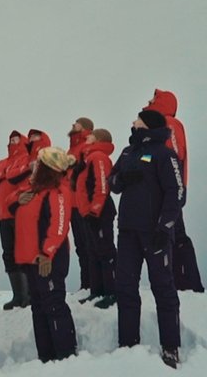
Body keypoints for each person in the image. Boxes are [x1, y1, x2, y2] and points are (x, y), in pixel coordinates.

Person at [110, 110, 185, 369]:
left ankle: (171, 347)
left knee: (163, 288)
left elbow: (177, 192)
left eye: (138, 118)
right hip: (127, 231)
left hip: (155, 233)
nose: (133, 121)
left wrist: (165, 227)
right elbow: (113, 182)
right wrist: (122, 178)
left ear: (148, 124)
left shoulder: (165, 154)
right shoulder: (127, 152)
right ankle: (128, 345)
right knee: (125, 287)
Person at [11, 143, 77, 363]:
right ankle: (46, 357)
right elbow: (10, 202)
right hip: (33, 259)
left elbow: (59, 225)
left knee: (53, 304)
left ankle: (65, 355)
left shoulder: (59, 191)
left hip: (48, 258)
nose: (36, 165)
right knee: (39, 307)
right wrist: (16, 200)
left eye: (40, 162)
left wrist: (47, 253)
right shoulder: (35, 189)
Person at [147, 88, 205, 292]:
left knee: (177, 234)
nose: (149, 101)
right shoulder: (159, 125)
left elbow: (174, 155)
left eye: (153, 99)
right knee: (173, 232)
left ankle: (188, 283)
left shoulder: (169, 123)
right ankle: (182, 281)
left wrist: (173, 188)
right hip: (164, 189)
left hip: (169, 190)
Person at [76, 128, 118, 307]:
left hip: (99, 212)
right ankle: (97, 291)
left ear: (99, 139)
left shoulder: (98, 157)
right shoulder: (88, 158)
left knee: (105, 251)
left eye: (91, 135)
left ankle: (112, 292)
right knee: (93, 252)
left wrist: (95, 211)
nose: (87, 136)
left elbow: (102, 185)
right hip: (89, 213)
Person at [0, 131, 31, 310]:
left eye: (16, 139)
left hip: (18, 212)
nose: (13, 142)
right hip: (3, 214)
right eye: (11, 139)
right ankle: (18, 295)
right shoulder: (2, 163)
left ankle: (28, 294)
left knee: (23, 252)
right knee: (8, 253)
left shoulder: (27, 159)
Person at [65, 117, 94, 291]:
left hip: (83, 203)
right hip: (72, 202)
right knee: (81, 246)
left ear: (84, 127)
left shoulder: (86, 145)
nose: (73, 125)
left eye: (76, 123)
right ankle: (86, 284)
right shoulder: (72, 148)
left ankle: (92, 284)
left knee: (88, 244)